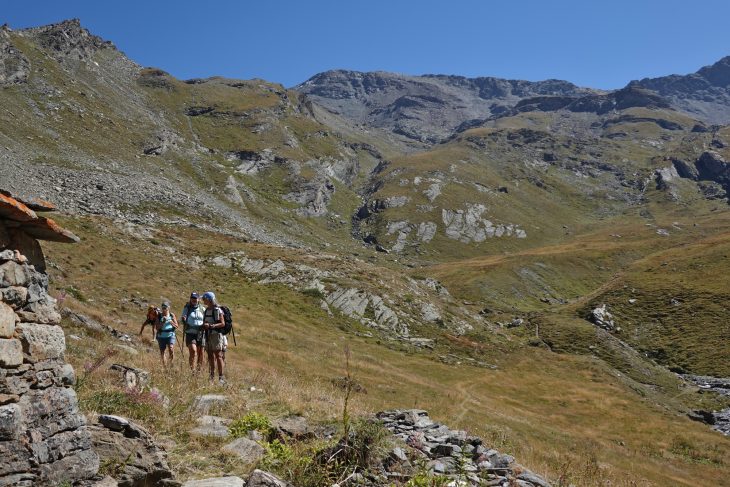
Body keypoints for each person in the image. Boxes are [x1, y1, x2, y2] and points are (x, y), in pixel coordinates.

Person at [202, 291, 226, 384]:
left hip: (216, 335)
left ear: (208, 299)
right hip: (208, 335)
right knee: (210, 356)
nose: (203, 300)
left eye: (204, 299)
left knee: (218, 356)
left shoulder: (218, 310)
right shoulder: (206, 310)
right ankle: (211, 376)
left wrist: (211, 326)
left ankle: (221, 377)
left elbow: (222, 323)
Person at [181, 292, 205, 372]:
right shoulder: (187, 308)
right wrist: (183, 319)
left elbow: (206, 319)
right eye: (192, 298)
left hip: (201, 333)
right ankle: (193, 370)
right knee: (193, 350)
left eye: (195, 298)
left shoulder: (202, 309)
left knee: (201, 353)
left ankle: (199, 371)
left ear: (198, 299)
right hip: (190, 333)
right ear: (190, 299)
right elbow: (182, 319)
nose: (194, 300)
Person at [155, 302, 179, 367]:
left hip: (170, 335)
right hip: (161, 336)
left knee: (171, 348)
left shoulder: (172, 315)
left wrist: (172, 322)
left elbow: (177, 326)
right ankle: (165, 366)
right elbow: (157, 328)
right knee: (162, 351)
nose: (164, 309)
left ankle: (171, 364)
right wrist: (163, 322)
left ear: (168, 308)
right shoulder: (159, 316)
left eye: (165, 307)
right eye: (162, 307)